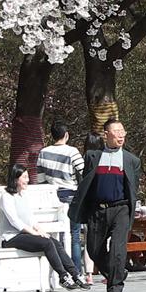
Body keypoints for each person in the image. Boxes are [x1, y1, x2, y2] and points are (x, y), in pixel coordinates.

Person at [71, 118, 140, 292]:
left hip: (121, 208)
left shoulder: (131, 160)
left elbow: (133, 187)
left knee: (118, 250)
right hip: (97, 210)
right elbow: (85, 183)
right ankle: (115, 272)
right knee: (94, 249)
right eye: (116, 131)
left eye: (122, 131)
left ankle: (115, 289)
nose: (120, 135)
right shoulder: (93, 157)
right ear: (106, 134)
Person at [0, 165, 86, 289]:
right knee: (47, 243)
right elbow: (15, 221)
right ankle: (63, 276)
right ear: (15, 179)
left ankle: (75, 274)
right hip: (11, 237)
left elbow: (30, 219)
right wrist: (34, 233)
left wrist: (40, 230)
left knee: (54, 242)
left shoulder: (23, 196)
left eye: (27, 176)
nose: (27, 180)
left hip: (25, 235)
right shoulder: (6, 197)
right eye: (24, 177)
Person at [36, 121, 87, 282]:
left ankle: (62, 271)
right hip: (71, 195)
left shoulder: (43, 152)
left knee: (57, 236)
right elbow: (84, 171)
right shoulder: (72, 151)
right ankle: (76, 271)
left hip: (51, 197)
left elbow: (40, 179)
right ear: (66, 135)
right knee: (74, 235)